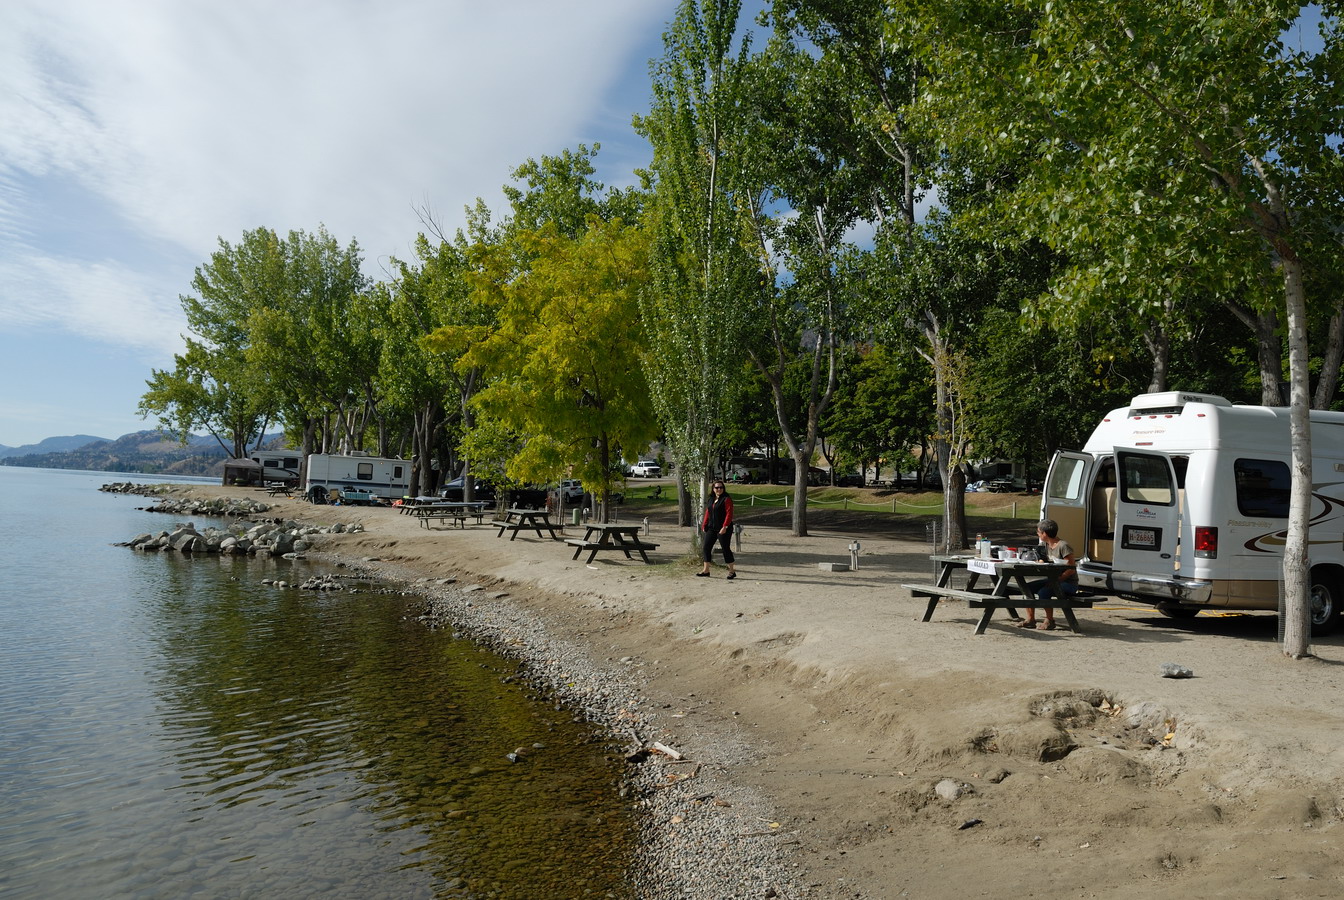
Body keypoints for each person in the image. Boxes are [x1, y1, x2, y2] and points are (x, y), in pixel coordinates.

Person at [1017, 518, 1078, 630]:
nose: (1037, 534)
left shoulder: (1063, 546)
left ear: (1044, 533)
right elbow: (1047, 560)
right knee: (1027, 588)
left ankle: (1049, 620)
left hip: (1068, 582)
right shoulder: (1046, 545)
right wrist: (1041, 562)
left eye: (1039, 532)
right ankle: (1030, 619)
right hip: (1053, 579)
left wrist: (1058, 580)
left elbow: (1071, 568)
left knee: (1044, 592)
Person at [697, 480, 737, 579]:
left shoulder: (726, 499)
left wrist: (725, 526)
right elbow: (708, 512)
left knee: (725, 549)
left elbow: (729, 514)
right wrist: (704, 524)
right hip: (712, 528)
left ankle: (732, 571)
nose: (719, 489)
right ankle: (706, 570)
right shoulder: (711, 499)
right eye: (717, 487)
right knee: (706, 547)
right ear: (713, 489)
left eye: (721, 487)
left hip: (723, 528)